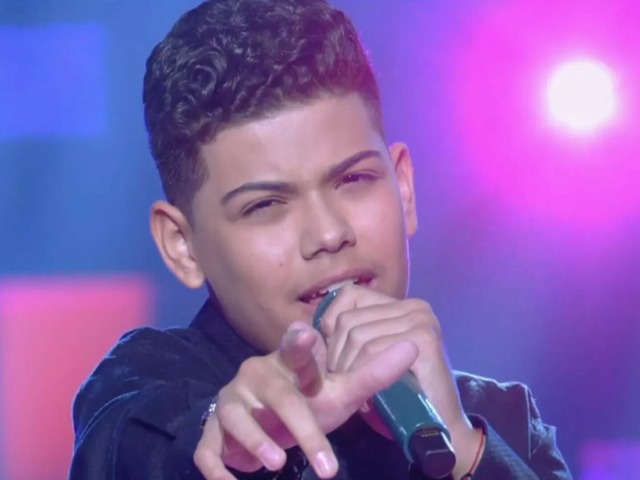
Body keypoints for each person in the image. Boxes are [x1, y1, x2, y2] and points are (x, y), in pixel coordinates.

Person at [70, 0, 572, 478]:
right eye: (265, 205)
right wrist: (231, 444)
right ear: (182, 245)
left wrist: (461, 452)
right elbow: (142, 451)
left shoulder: (500, 422)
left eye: (354, 179)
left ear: (404, 189)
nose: (329, 234)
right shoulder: (138, 397)